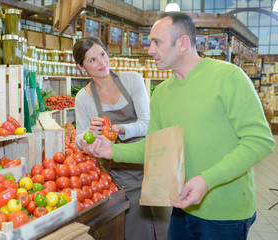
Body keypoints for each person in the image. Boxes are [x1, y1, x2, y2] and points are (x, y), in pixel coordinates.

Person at [80, 12, 275, 240]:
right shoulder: (162, 92)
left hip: (224, 214)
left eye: (157, 42)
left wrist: (206, 181)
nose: (150, 50)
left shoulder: (229, 77)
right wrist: (112, 150)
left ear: (183, 43)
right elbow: (153, 148)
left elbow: (260, 141)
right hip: (180, 207)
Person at [73, 36, 171, 240]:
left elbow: (146, 123)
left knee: (164, 223)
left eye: (102, 54)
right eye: (92, 60)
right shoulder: (83, 97)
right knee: (135, 228)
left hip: (149, 163)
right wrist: (89, 135)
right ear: (81, 67)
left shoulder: (132, 79)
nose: (101, 63)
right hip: (120, 173)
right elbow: (79, 137)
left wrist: (118, 129)